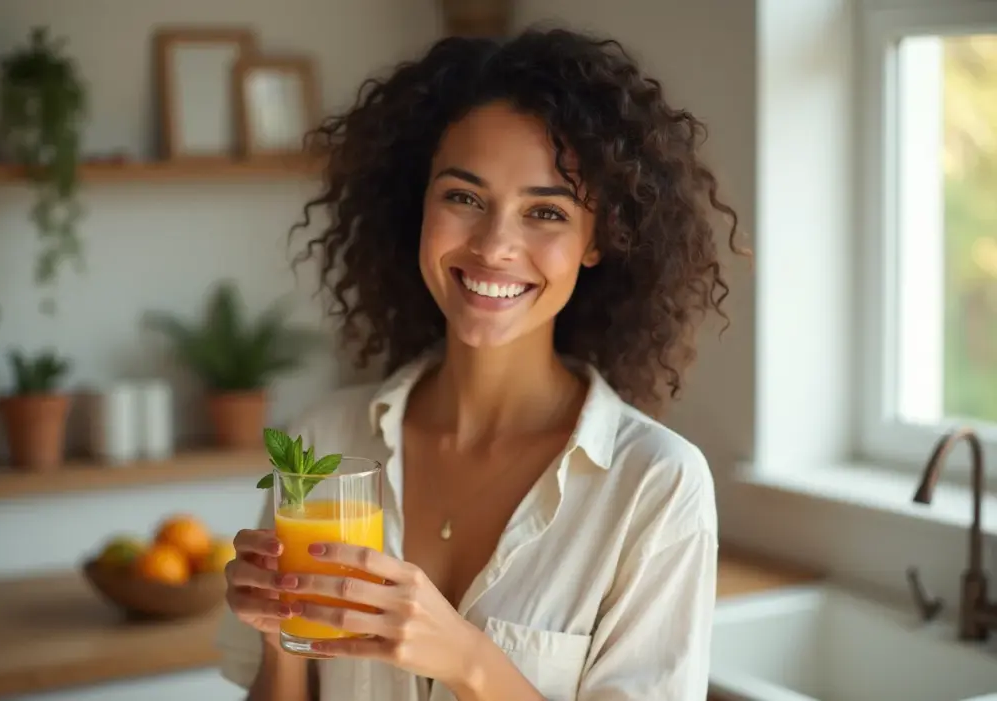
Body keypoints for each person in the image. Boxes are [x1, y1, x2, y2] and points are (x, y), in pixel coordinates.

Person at [216, 24, 745, 701]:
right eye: (463, 198)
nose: (494, 245)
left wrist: (468, 659)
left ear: (597, 238)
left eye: (546, 212)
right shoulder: (321, 443)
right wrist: (276, 633)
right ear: (420, 204)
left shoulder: (655, 487)